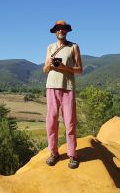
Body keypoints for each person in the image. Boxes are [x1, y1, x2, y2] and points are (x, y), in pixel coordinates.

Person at [43, 20, 83, 169]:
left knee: (70, 122)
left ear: (67, 31)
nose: (61, 31)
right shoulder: (50, 47)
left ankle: (72, 155)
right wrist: (50, 65)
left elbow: (79, 69)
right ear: (55, 31)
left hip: (67, 88)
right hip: (51, 87)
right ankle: (53, 153)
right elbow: (44, 70)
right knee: (51, 122)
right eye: (58, 29)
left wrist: (65, 67)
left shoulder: (73, 47)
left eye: (64, 29)